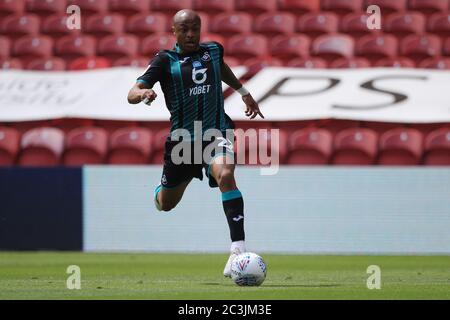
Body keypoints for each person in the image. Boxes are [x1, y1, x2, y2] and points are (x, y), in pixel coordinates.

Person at [127, 9, 264, 277]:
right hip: (183, 144)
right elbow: (132, 93)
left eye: (195, 28)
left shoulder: (213, 50)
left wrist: (243, 92)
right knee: (166, 204)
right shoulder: (164, 61)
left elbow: (220, 67)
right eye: (185, 29)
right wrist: (142, 92)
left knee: (226, 174)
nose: (191, 34)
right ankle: (162, 189)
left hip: (216, 131)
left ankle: (237, 250)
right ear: (174, 31)